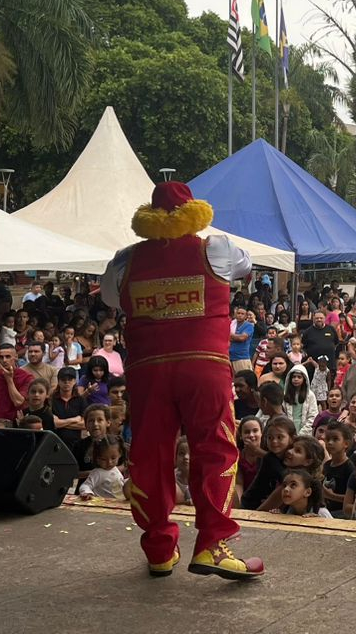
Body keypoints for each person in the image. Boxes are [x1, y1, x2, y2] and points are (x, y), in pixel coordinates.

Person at [100, 181, 263, 579]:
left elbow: (108, 296)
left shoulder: (125, 260)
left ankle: (159, 548)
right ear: (194, 212)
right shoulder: (216, 248)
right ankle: (212, 545)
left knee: (150, 454)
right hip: (203, 366)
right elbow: (245, 267)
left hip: (147, 370)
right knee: (214, 450)